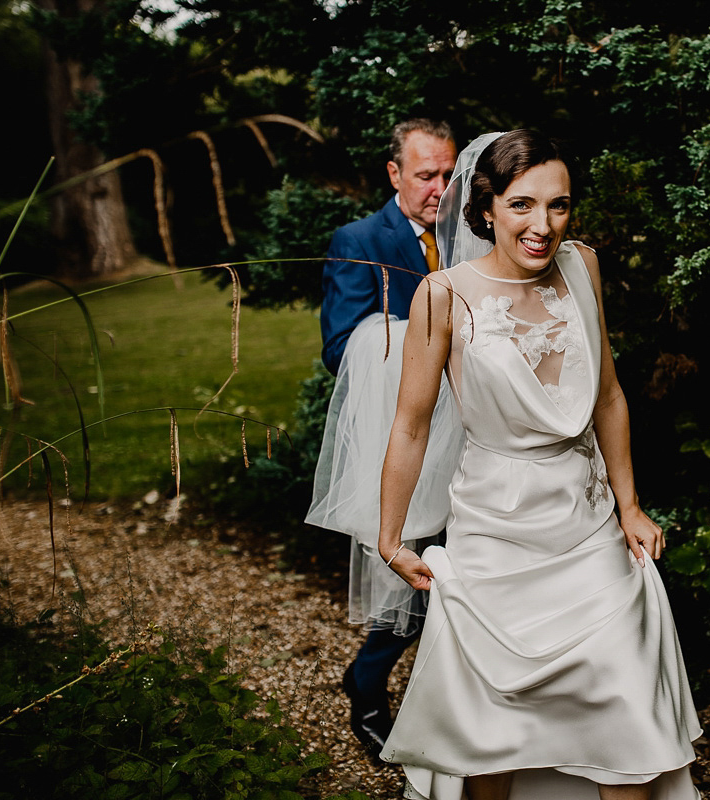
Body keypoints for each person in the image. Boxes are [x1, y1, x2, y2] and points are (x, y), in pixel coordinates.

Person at [377, 129, 702, 800]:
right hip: (494, 537)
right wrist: (390, 536)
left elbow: (609, 395)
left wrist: (630, 507)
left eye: (559, 205)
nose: (543, 225)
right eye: (523, 205)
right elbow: (409, 427)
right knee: (491, 732)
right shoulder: (443, 296)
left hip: (586, 529)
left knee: (626, 709)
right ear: (487, 206)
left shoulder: (582, 266)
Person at [305, 119, 465, 758]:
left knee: (465, 571)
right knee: (414, 579)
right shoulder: (359, 239)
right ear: (395, 174)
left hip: (475, 435)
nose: (441, 188)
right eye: (427, 174)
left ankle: (453, 704)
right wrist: (427, 346)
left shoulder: (473, 236)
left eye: (450, 174)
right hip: (403, 436)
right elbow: (341, 346)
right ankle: (368, 685)